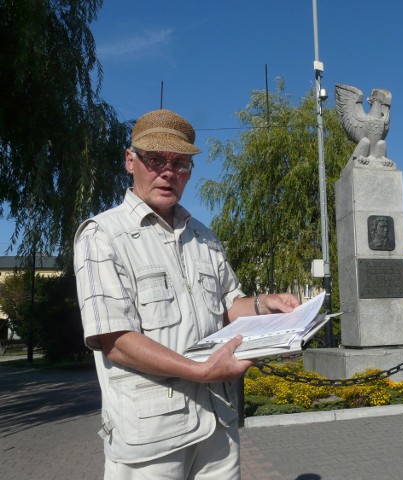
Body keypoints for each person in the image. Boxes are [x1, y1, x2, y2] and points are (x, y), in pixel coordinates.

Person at [73, 108, 299, 479]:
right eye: (155, 159)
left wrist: (263, 304)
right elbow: (114, 339)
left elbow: (228, 305)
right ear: (130, 161)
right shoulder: (102, 235)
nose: (168, 172)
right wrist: (201, 371)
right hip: (152, 439)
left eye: (180, 163)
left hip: (218, 426)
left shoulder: (204, 237)